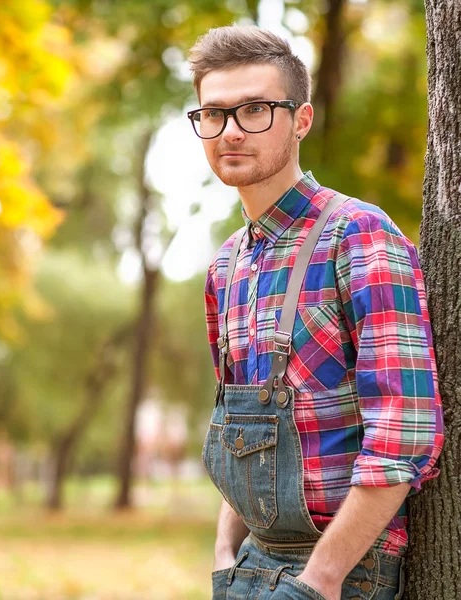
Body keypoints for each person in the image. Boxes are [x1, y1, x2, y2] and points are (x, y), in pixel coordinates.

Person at [188, 25, 444, 600]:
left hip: (342, 574)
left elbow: (405, 429)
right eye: (213, 114)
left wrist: (322, 578)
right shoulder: (226, 266)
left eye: (254, 109)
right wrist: (224, 551)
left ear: (301, 120)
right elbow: (239, 423)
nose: (230, 131)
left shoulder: (358, 236)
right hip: (247, 566)